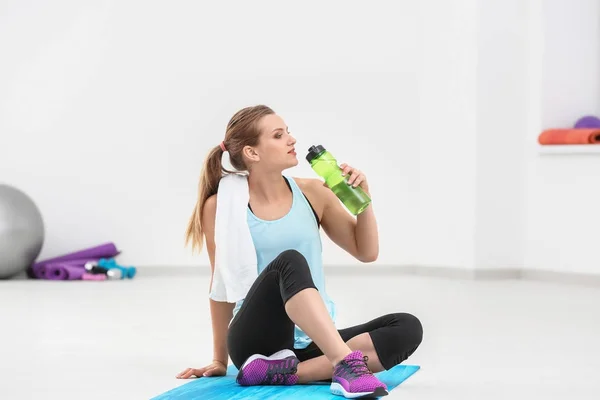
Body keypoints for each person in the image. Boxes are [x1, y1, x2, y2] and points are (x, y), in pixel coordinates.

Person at [176, 105, 423, 398]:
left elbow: (366, 252)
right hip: (256, 343)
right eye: (279, 136)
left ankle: (285, 374)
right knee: (289, 261)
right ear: (252, 153)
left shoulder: (314, 192)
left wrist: (364, 202)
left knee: (407, 327)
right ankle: (344, 363)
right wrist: (220, 359)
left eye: (288, 132)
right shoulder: (222, 206)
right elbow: (220, 283)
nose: (291, 140)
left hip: (312, 341)